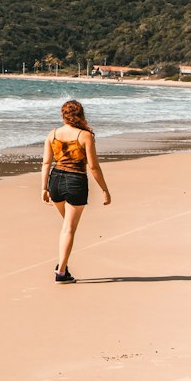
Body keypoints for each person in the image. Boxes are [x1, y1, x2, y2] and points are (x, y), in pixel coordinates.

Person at [41, 99, 111, 282]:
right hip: (75, 182)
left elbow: (46, 163)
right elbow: (93, 167)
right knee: (69, 229)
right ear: (80, 115)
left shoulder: (52, 134)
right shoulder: (85, 135)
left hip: (55, 181)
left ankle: (63, 267)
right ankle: (61, 272)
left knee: (67, 226)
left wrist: (43, 188)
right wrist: (104, 189)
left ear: (63, 115)